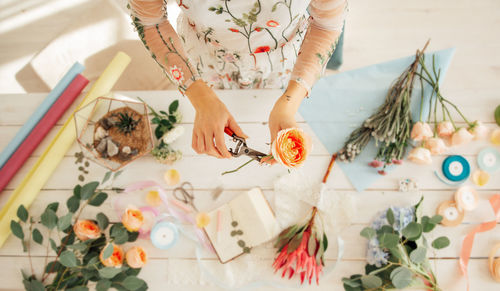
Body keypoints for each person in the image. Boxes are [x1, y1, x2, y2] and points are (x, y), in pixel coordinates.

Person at [128, 0, 347, 159]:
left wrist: (289, 103)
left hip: (284, 63)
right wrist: (201, 97)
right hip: (205, 61)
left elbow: (325, 25)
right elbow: (150, 22)